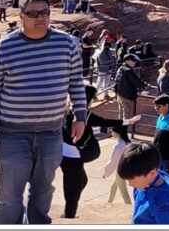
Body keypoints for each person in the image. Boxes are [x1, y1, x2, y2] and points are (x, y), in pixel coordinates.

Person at [0, 0, 87, 225]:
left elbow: (76, 81)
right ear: (21, 16)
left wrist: (80, 115)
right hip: (12, 133)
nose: (40, 18)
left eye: (45, 12)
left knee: (43, 190)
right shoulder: (4, 48)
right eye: (33, 13)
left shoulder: (67, 43)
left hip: (51, 132)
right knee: (9, 195)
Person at [60, 85, 141, 218]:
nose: (94, 100)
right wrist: (128, 121)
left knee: (82, 181)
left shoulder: (67, 111)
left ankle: (69, 208)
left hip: (66, 154)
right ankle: (68, 216)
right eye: (93, 98)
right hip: (72, 156)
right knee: (73, 191)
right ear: (88, 98)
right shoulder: (84, 114)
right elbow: (105, 122)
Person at [117, 141, 169, 224]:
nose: (129, 184)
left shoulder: (164, 200)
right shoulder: (144, 179)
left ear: (152, 173)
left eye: (133, 181)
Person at [103, 125, 133, 205]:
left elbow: (114, 161)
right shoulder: (127, 142)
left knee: (123, 191)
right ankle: (109, 202)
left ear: (118, 133)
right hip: (124, 169)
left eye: (113, 131)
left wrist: (106, 172)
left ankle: (128, 206)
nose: (111, 132)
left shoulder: (119, 146)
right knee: (114, 186)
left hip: (120, 170)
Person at [115, 54, 150, 120]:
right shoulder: (128, 71)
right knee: (127, 118)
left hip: (120, 95)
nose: (135, 62)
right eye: (133, 61)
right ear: (127, 61)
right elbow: (137, 82)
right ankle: (124, 130)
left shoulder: (120, 68)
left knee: (121, 116)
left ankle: (119, 129)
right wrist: (145, 85)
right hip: (126, 97)